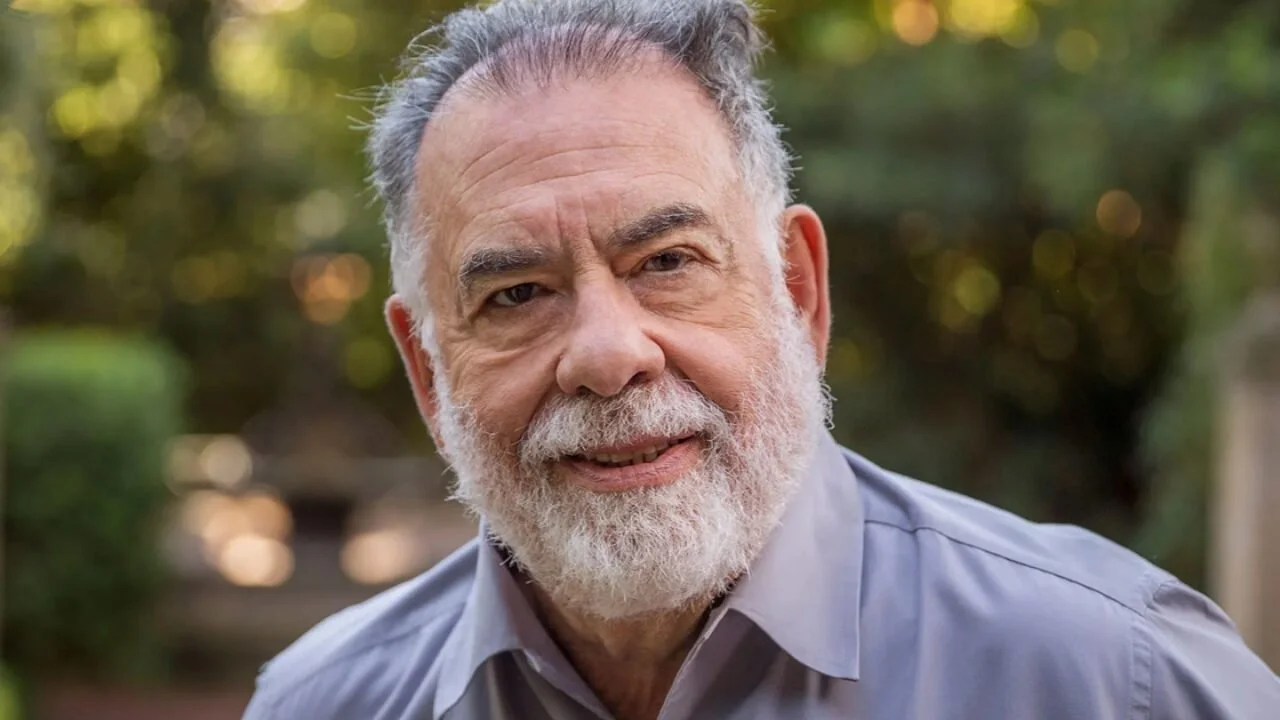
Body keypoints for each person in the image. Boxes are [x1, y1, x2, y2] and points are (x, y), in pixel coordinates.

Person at [242, 0, 1279, 717]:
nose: (607, 355)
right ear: (429, 374)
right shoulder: (324, 704)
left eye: (666, 262)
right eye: (515, 295)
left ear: (798, 289)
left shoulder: (1119, 680)